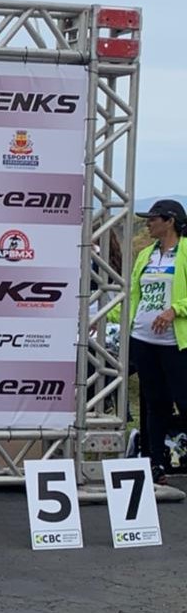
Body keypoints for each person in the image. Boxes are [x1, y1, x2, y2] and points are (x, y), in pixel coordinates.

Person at [124, 200, 187, 484]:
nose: (148, 223)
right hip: (143, 339)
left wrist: (175, 310)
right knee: (154, 403)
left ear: (170, 221)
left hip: (176, 343)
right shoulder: (145, 255)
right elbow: (134, 295)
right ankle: (155, 463)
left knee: (183, 401)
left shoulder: (185, 252)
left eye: (153, 219)